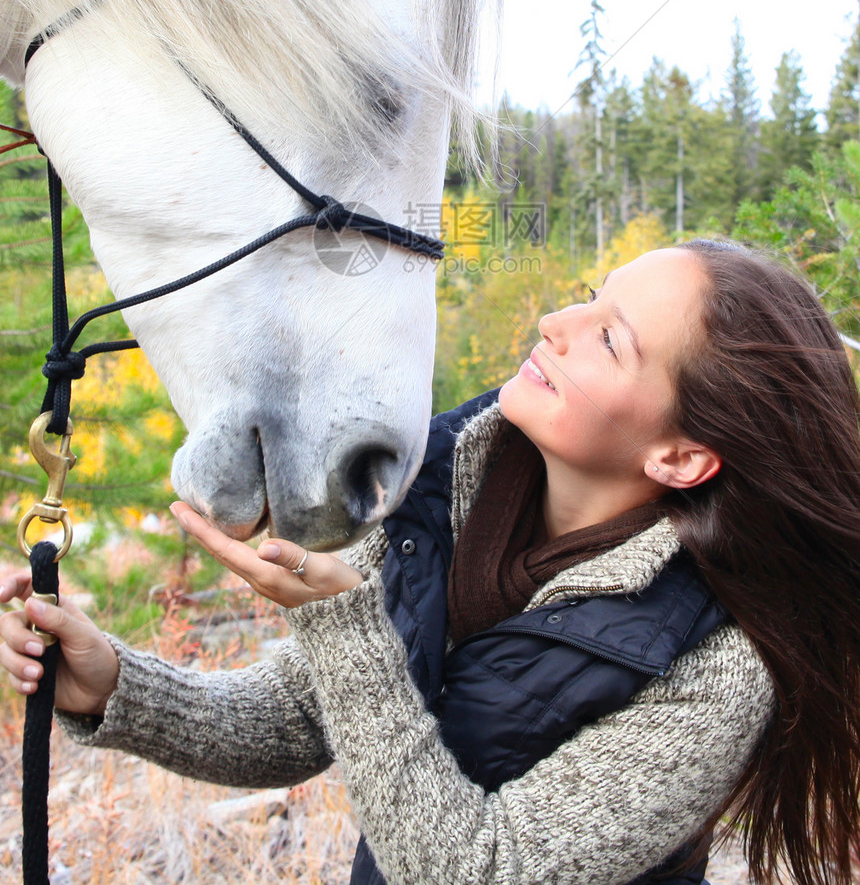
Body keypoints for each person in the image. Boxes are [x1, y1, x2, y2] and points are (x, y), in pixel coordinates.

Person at [3, 238, 860, 885]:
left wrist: (343, 627)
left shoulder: (721, 664)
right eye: (587, 299)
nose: (555, 325)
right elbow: (300, 720)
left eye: (609, 340)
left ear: (679, 457)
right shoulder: (437, 488)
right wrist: (113, 683)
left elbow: (476, 869)